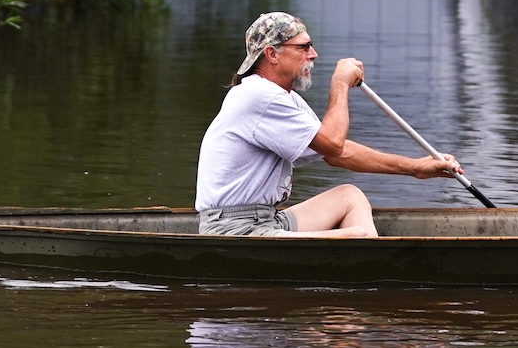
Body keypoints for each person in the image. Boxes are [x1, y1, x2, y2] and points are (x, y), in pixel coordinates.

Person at [195, 12, 464, 238]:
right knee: (355, 235)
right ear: (271, 54)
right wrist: (339, 84)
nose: (313, 54)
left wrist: (417, 167)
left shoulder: (285, 99)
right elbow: (334, 144)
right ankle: (375, 285)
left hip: (267, 221)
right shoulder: (258, 96)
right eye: (303, 47)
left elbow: (338, 153)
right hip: (232, 229)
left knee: (349, 196)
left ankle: (371, 280)